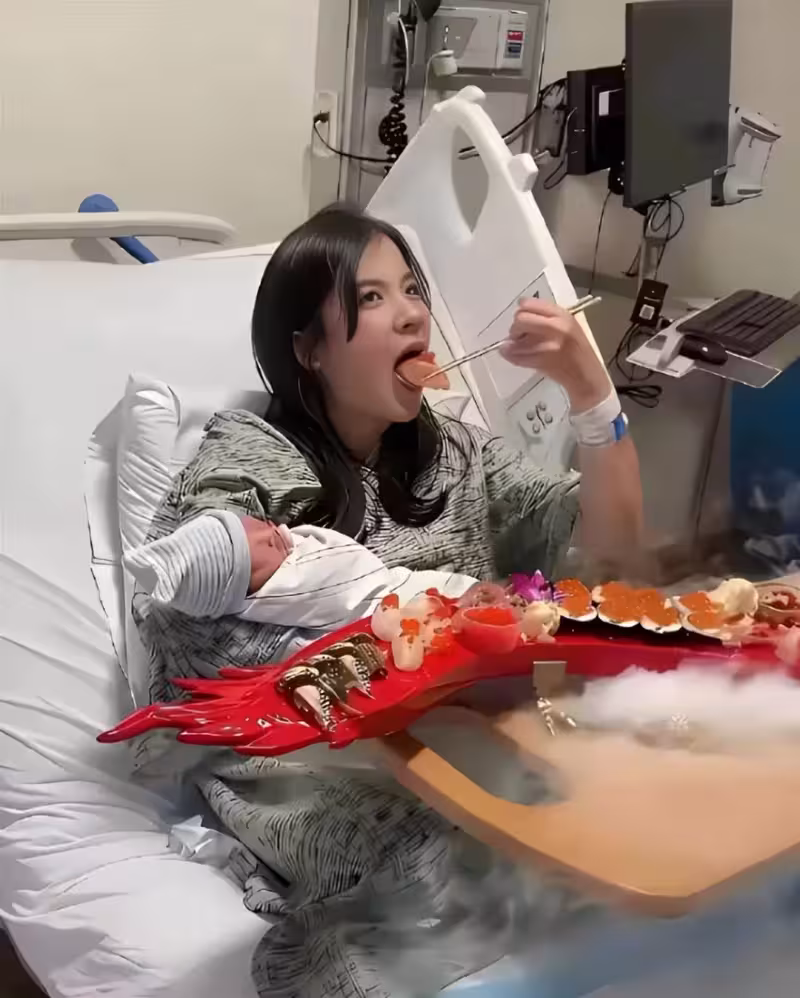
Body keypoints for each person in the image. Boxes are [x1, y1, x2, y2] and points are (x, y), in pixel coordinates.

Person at [132, 203, 644, 998]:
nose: (411, 313)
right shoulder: (253, 460)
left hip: (469, 729)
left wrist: (592, 395)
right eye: (371, 298)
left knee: (610, 811)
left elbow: (614, 556)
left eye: (412, 290)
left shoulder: (453, 453)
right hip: (306, 762)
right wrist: (426, 640)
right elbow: (188, 611)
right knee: (442, 849)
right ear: (309, 349)